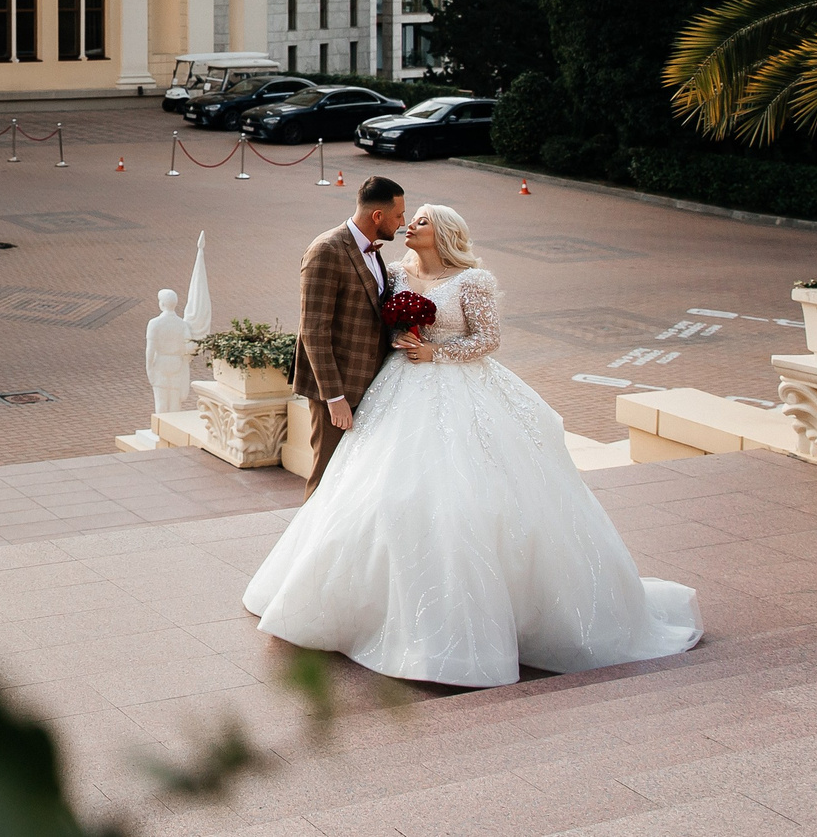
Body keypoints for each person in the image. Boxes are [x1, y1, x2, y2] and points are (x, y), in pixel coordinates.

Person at [244, 202, 703, 688]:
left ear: (442, 233)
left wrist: (435, 351)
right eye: (410, 217)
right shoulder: (394, 272)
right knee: (381, 492)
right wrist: (402, 340)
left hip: (462, 388)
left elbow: (488, 339)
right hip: (399, 388)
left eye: (420, 220)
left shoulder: (473, 281)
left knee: (473, 496)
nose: (410, 225)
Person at [292, 175, 403, 496]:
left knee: (353, 482)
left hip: (368, 385)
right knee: (326, 478)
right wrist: (334, 398)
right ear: (378, 217)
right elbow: (313, 330)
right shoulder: (326, 250)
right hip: (337, 390)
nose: (403, 223)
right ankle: (308, 545)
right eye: (398, 216)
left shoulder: (371, 251)